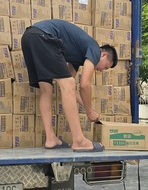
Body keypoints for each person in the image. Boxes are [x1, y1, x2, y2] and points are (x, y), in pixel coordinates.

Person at [21, 19, 117, 151]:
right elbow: (84, 85)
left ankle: (50, 139)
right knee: (68, 83)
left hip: (29, 37)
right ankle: (79, 141)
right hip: (43, 36)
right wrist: (89, 111)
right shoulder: (94, 48)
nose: (100, 70)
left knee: (46, 88)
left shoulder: (76, 57)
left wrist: (87, 106)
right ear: (103, 54)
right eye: (105, 67)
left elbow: (70, 91)